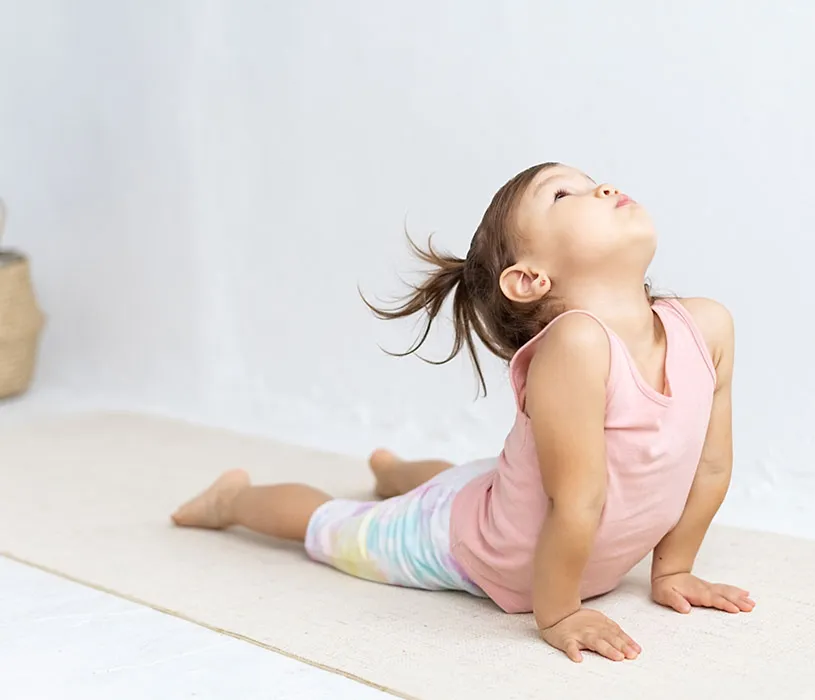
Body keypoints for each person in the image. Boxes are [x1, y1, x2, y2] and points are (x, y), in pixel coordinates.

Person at [171, 162, 754, 663]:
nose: (600, 189)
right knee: (337, 528)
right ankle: (233, 500)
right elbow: (576, 500)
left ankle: (393, 470)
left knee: (474, 482)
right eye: (561, 194)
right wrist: (556, 615)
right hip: (474, 545)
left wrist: (671, 571)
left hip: (501, 497)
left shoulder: (706, 326)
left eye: (593, 181)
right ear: (528, 278)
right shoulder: (578, 343)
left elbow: (709, 469)